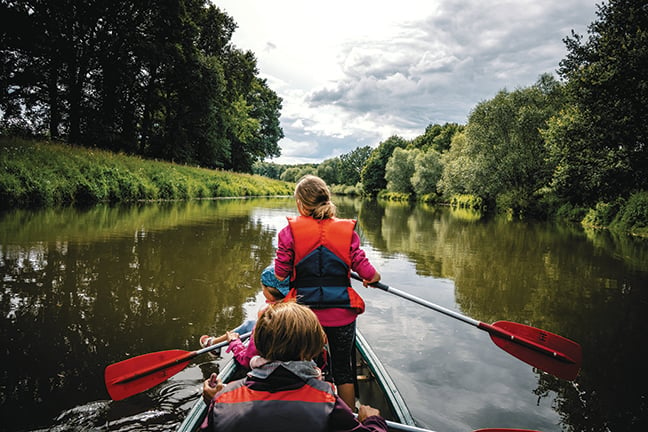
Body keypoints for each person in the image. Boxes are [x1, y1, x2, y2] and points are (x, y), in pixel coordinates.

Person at [274, 174, 381, 410]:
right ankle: (347, 420)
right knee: (343, 370)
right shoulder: (347, 232)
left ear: (300, 204)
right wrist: (369, 278)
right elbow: (370, 274)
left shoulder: (288, 233)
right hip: (341, 314)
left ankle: (306, 413)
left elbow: (280, 274)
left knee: (301, 367)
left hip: (303, 318)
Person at [200, 301, 387, 432]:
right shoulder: (327, 400)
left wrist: (214, 402)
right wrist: (372, 421)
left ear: (259, 345)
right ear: (309, 351)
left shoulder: (224, 398)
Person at [199, 264, 289, 368]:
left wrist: (234, 342)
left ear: (267, 290)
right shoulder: (293, 305)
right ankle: (213, 343)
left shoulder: (266, 316)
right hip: (282, 354)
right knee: (250, 324)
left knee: (247, 336)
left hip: (271, 362)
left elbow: (247, 359)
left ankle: (213, 344)